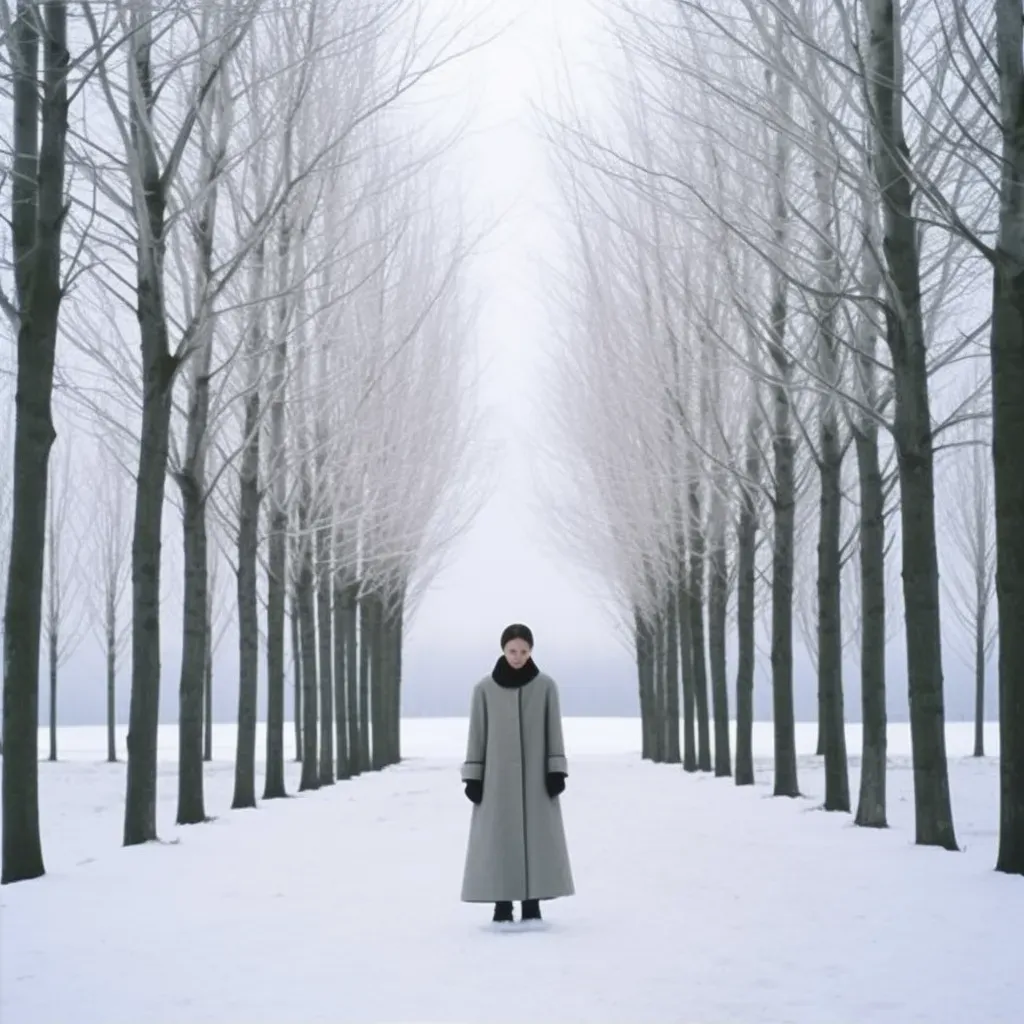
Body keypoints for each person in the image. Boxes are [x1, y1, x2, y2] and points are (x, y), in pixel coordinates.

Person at [460, 623, 575, 924]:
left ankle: (532, 903)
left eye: (524, 651)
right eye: (513, 650)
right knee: (497, 840)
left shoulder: (546, 686)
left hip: (536, 779)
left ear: (531, 651)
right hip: (497, 780)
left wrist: (556, 770)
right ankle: (501, 904)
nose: (518, 656)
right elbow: (477, 734)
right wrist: (473, 775)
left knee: (537, 840)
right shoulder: (483, 689)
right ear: (503, 650)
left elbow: (554, 730)